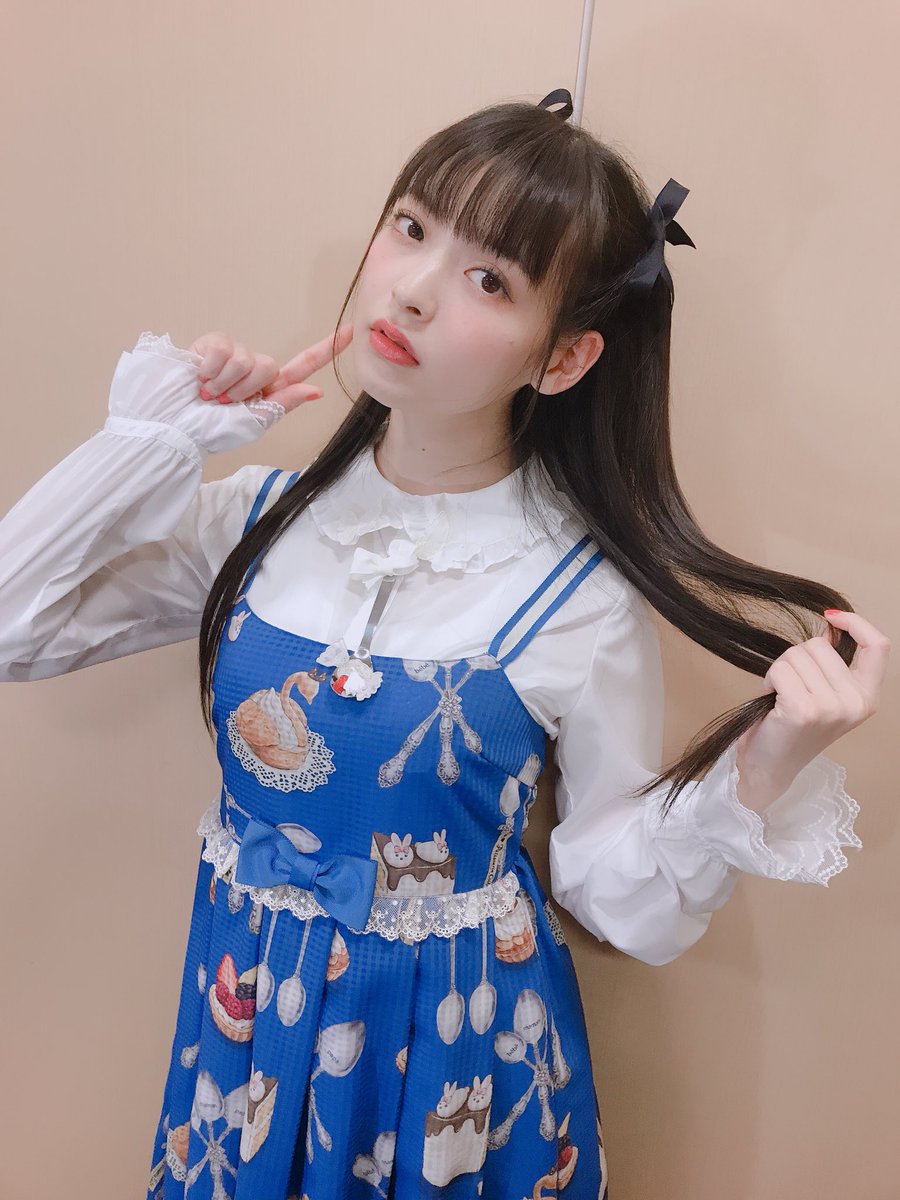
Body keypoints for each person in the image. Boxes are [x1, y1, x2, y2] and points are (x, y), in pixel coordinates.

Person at [0, 89, 888, 1200]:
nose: (412, 289)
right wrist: (149, 443)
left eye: (490, 280)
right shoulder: (258, 524)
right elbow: (13, 624)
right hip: (243, 1039)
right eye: (412, 226)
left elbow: (616, 898)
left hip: (459, 1070)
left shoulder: (573, 597)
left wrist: (766, 763)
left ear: (562, 360)